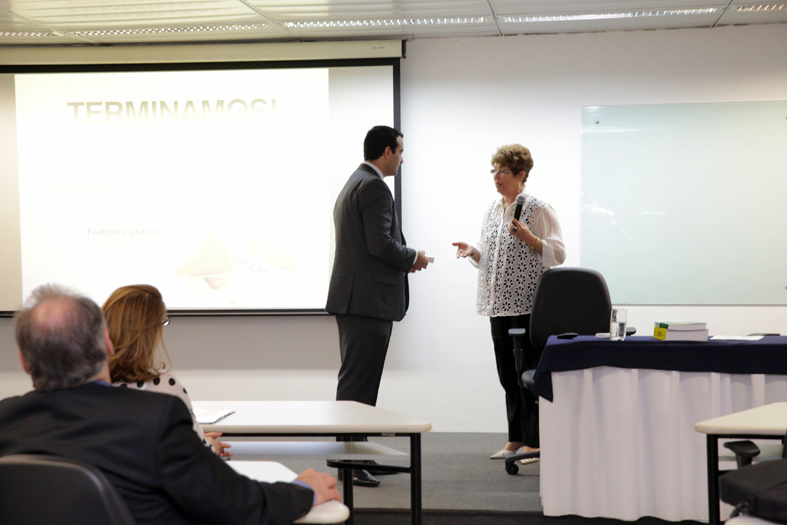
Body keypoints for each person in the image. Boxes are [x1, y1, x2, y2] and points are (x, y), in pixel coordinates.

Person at [0, 284, 340, 525]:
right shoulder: (154, 418)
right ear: (107, 344)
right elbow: (238, 504)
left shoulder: (5, 420)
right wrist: (302, 490)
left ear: (25, 361)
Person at [325, 125, 429, 487]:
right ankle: (350, 461)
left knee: (358, 382)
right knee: (358, 385)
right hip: (366, 302)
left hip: (357, 300)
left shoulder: (355, 182)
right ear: (387, 152)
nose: (402, 159)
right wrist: (414, 257)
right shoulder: (374, 187)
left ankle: (357, 455)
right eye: (400, 152)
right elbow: (380, 245)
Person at [452, 144, 565, 461]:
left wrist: (531, 239)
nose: (496, 176)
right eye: (494, 170)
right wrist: (474, 252)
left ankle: (535, 442)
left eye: (503, 171)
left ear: (521, 174)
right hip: (497, 304)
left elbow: (558, 254)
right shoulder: (492, 209)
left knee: (529, 374)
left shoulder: (539, 209)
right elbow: (491, 254)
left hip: (528, 307)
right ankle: (515, 438)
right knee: (507, 375)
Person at [103, 284, 229, 457]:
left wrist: (196, 440)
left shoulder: (80, 382)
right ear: (151, 331)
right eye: (163, 322)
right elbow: (193, 450)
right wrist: (212, 445)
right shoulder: (163, 385)